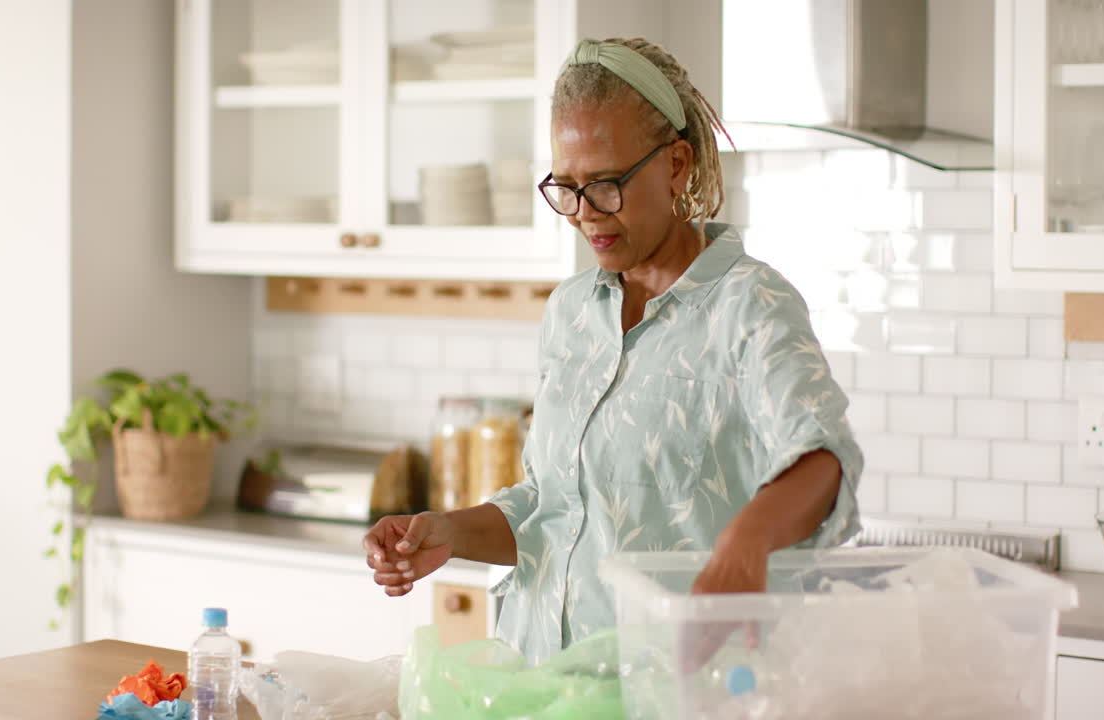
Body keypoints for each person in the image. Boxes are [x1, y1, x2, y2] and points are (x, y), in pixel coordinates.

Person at [364, 36, 863, 664]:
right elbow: (554, 508)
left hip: (677, 686)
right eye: (567, 188)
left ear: (676, 165)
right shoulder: (570, 312)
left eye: (605, 185)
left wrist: (747, 543)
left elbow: (824, 456)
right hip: (545, 685)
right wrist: (450, 531)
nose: (584, 213)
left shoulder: (749, 304)